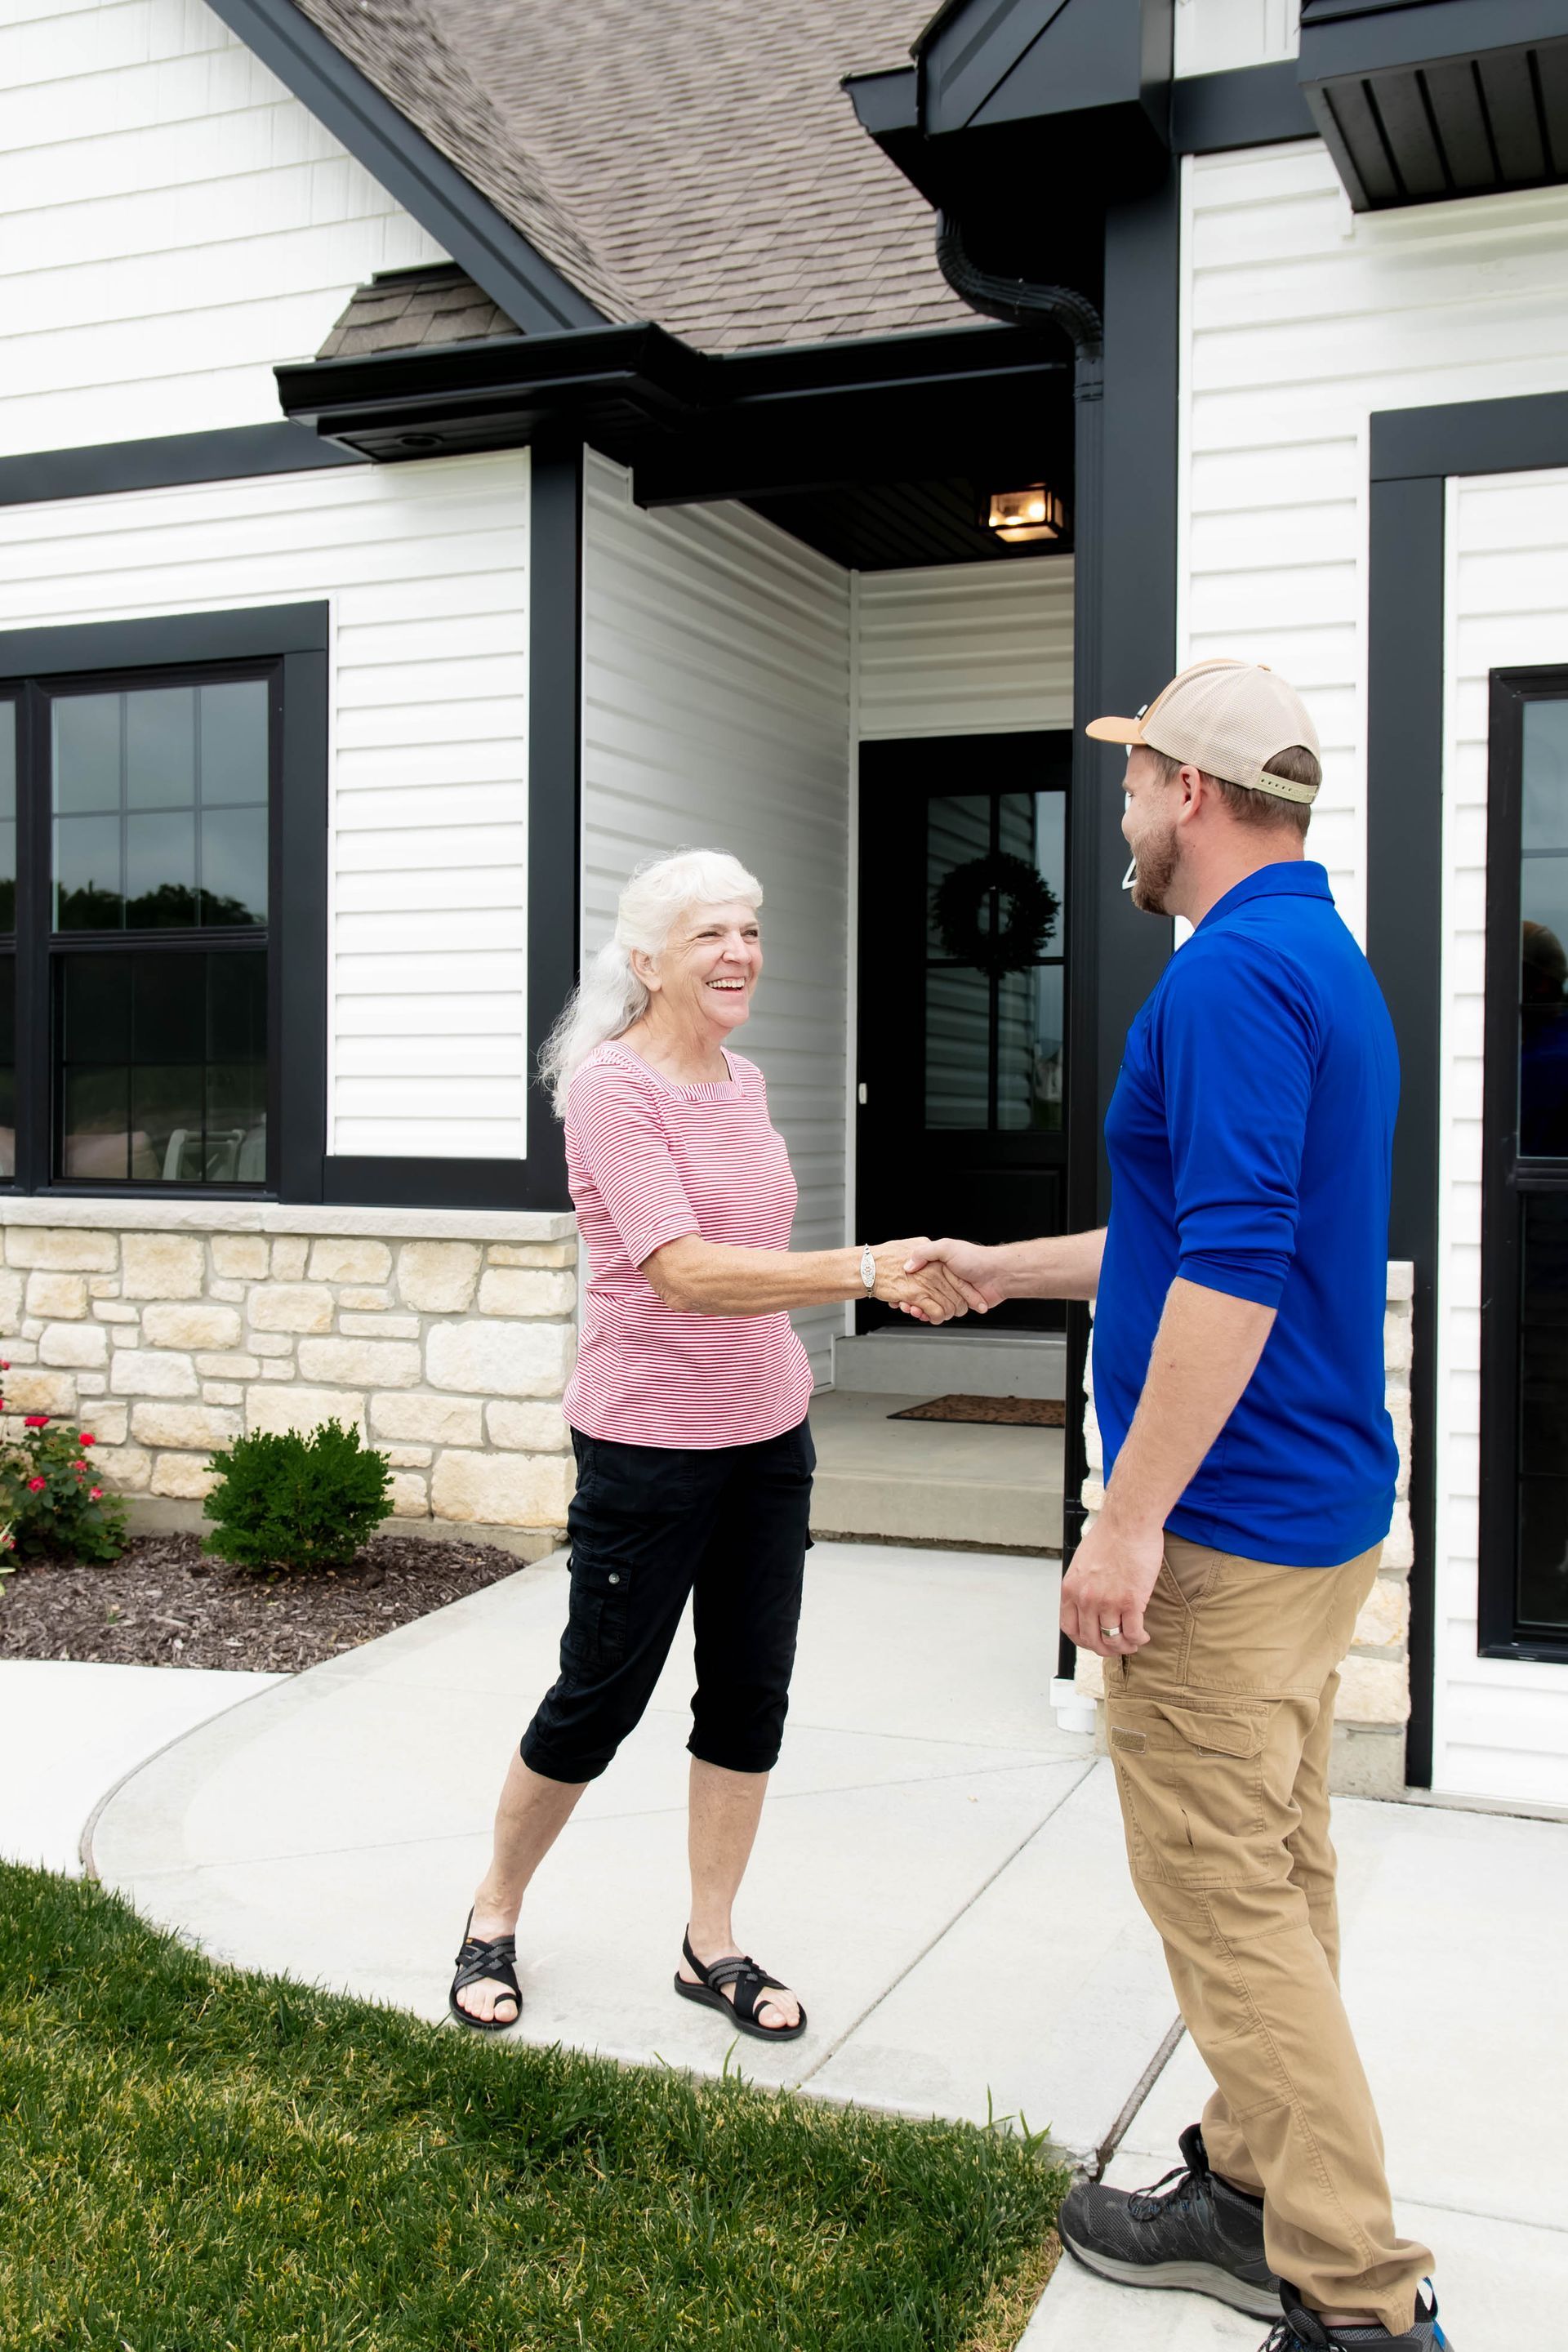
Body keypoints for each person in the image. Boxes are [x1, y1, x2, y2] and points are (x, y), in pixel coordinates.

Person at [909, 662, 1450, 2352]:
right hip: (1314, 1508)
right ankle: (1241, 2189)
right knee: (1276, 1877)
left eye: (1135, 780)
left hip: (1221, 1529)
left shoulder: (1222, 983)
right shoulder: (1318, 963)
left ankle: (1358, 2304)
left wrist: (1126, 1518)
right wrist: (998, 1269)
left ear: (1192, 792)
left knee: (1231, 1906)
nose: (1123, 813)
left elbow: (1229, 1279)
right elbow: (1202, 1236)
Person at [449, 847, 974, 2042]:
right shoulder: (611, 1090)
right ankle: (492, 1911)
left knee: (748, 1697)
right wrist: (867, 1271)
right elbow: (680, 1270)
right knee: (599, 1696)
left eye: (749, 929)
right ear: (646, 960)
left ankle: (712, 1943)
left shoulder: (744, 1083)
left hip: (768, 1432)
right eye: (709, 935)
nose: (739, 952)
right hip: (647, 1442)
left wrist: (885, 1278)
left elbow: (751, 1254)